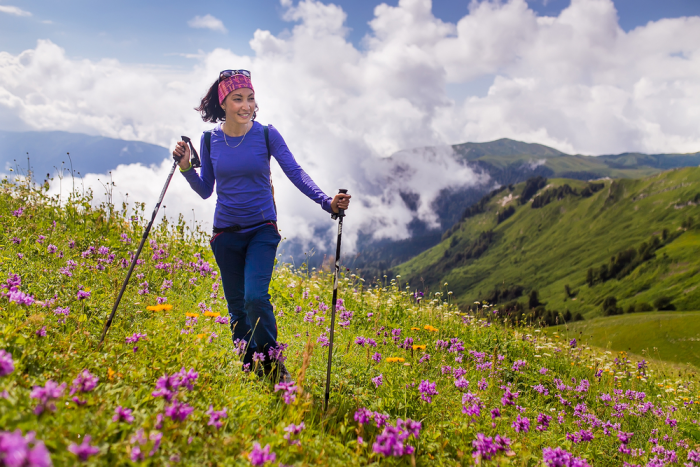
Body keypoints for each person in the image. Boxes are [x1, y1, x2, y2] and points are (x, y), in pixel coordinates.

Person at [172, 70, 350, 382]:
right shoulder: (209, 140)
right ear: (223, 103)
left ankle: (272, 364)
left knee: (255, 297)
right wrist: (186, 166)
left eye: (250, 98)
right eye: (237, 99)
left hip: (262, 229)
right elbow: (205, 190)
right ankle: (249, 366)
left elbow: (295, 171)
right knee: (237, 307)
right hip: (225, 234)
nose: (246, 105)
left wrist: (326, 202)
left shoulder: (267, 134)